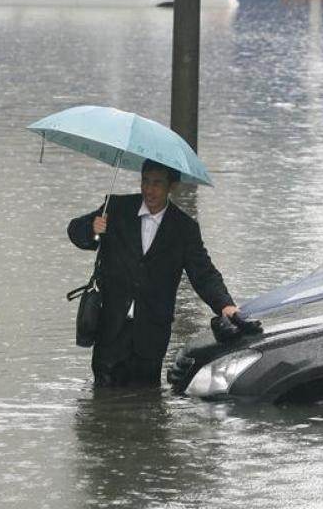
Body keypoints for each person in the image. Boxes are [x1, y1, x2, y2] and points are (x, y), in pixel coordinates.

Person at [68, 159, 239, 387]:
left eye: (157, 183)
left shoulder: (184, 228)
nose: (149, 189)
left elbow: (204, 273)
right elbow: (75, 231)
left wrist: (225, 305)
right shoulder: (117, 208)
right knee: (102, 402)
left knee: (145, 400)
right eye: (145, 181)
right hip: (110, 329)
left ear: (172, 187)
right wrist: (91, 228)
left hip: (151, 335)